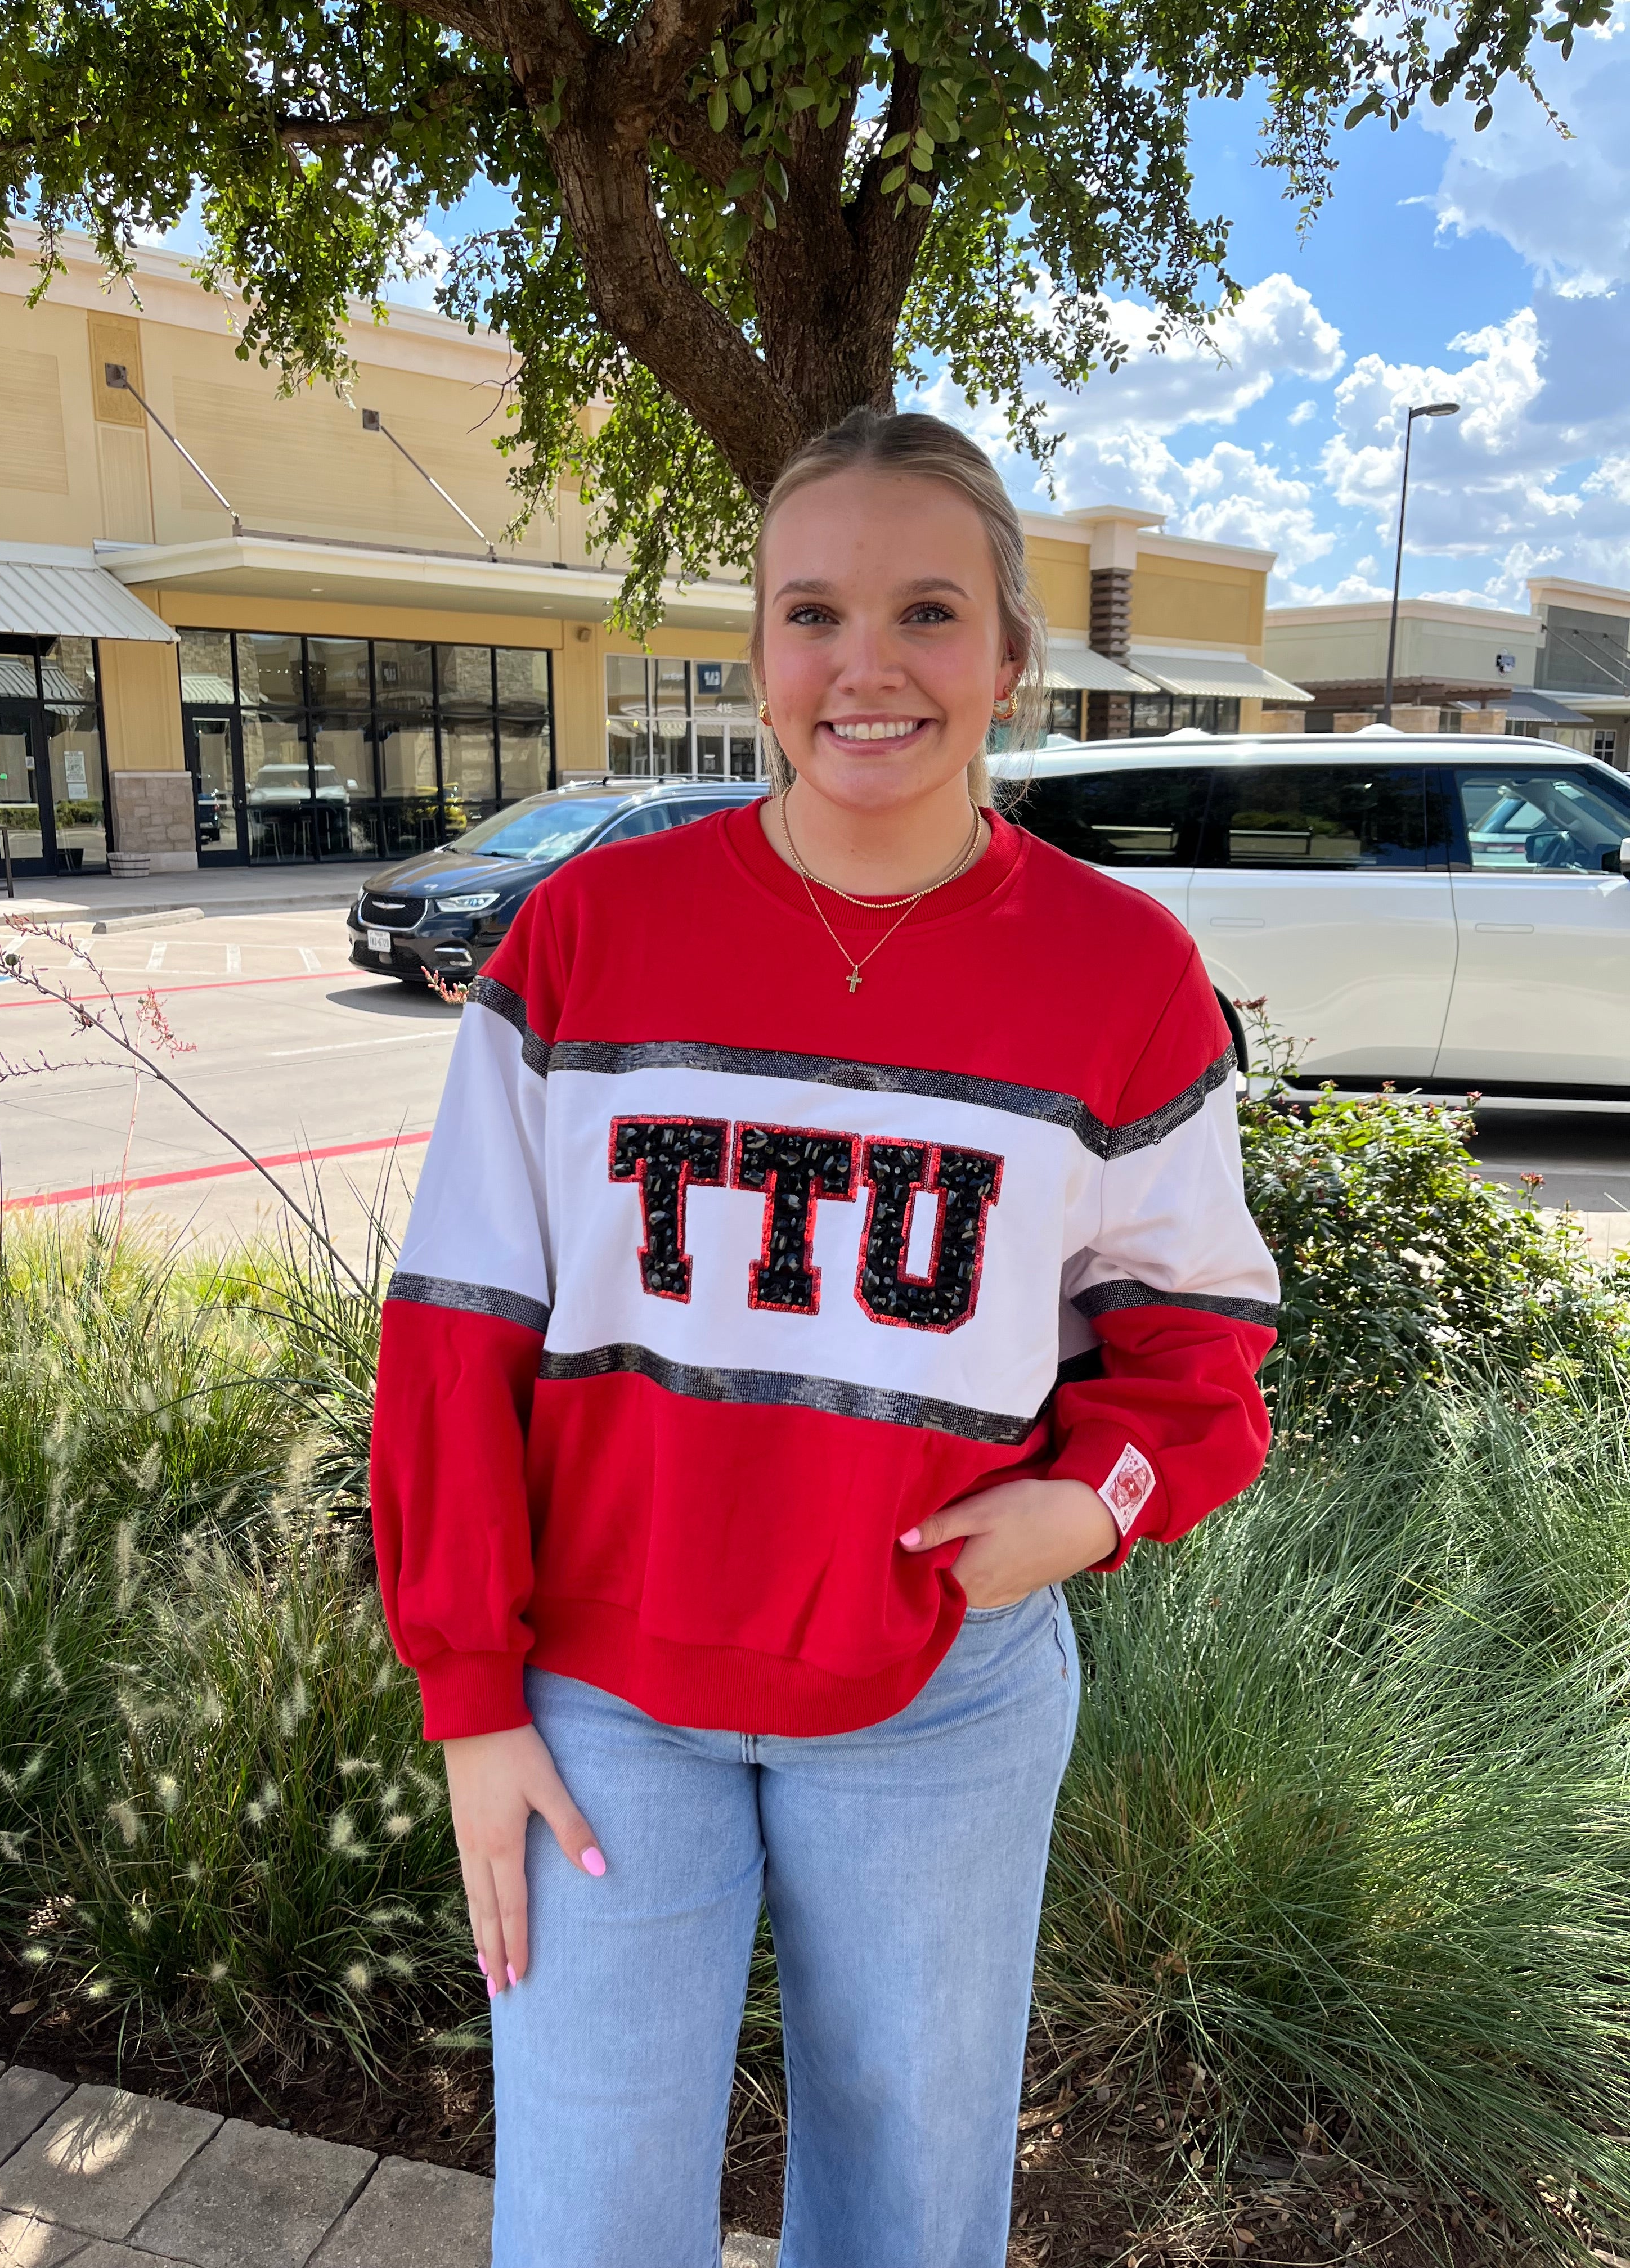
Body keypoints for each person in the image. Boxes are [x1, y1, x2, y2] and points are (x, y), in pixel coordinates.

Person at [370, 408, 1279, 2268]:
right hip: (602, 1696)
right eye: (814, 614)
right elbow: (459, 1326)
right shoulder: (586, 935)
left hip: (942, 1688)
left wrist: (1097, 1503)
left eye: (928, 612)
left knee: (907, 2210)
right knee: (589, 2213)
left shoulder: (1122, 973)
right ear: (759, 655)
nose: (868, 665)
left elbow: (1195, 1334)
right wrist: (470, 1692)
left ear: (1010, 658)